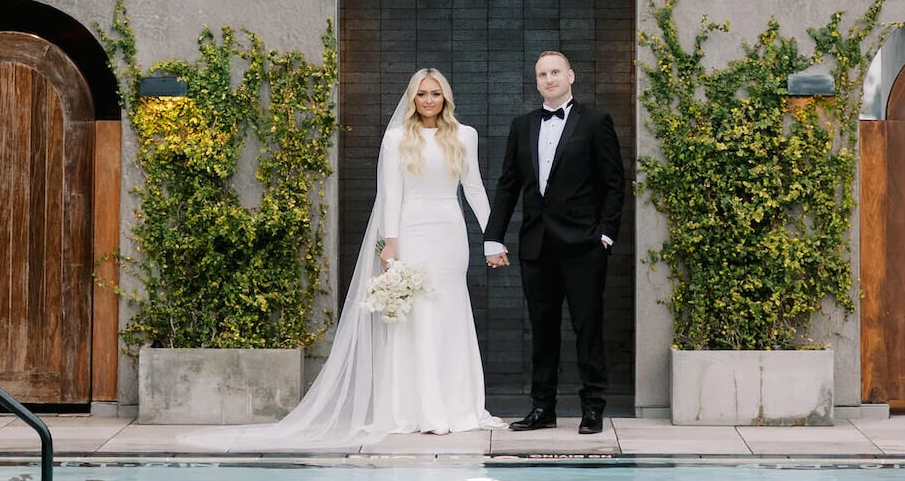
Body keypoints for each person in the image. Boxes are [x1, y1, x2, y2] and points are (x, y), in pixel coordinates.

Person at [184, 68, 500, 447]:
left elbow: (476, 188)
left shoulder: (466, 136)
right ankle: (418, 410)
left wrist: (491, 238)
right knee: (415, 317)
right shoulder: (397, 139)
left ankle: (457, 407)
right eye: (422, 94)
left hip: (450, 235)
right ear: (413, 99)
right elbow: (391, 194)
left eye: (435, 94)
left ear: (445, 98)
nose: (429, 100)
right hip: (412, 233)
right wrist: (391, 243)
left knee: (449, 315)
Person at [483, 50, 624, 435]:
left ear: (571, 76)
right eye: (543, 74)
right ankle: (541, 408)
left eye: (555, 72)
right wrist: (492, 237)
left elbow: (614, 183)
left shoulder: (595, 122)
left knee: (587, 328)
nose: (549, 79)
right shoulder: (522, 125)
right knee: (541, 331)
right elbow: (508, 184)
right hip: (536, 246)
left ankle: (592, 407)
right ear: (537, 81)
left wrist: (606, 235)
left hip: (584, 245)